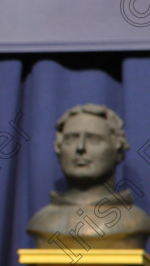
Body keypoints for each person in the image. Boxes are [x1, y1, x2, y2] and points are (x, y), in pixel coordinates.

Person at [27, 103, 150, 249]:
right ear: (59, 148)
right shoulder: (42, 221)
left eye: (94, 139)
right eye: (71, 139)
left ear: (117, 150)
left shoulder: (134, 221)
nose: (80, 148)